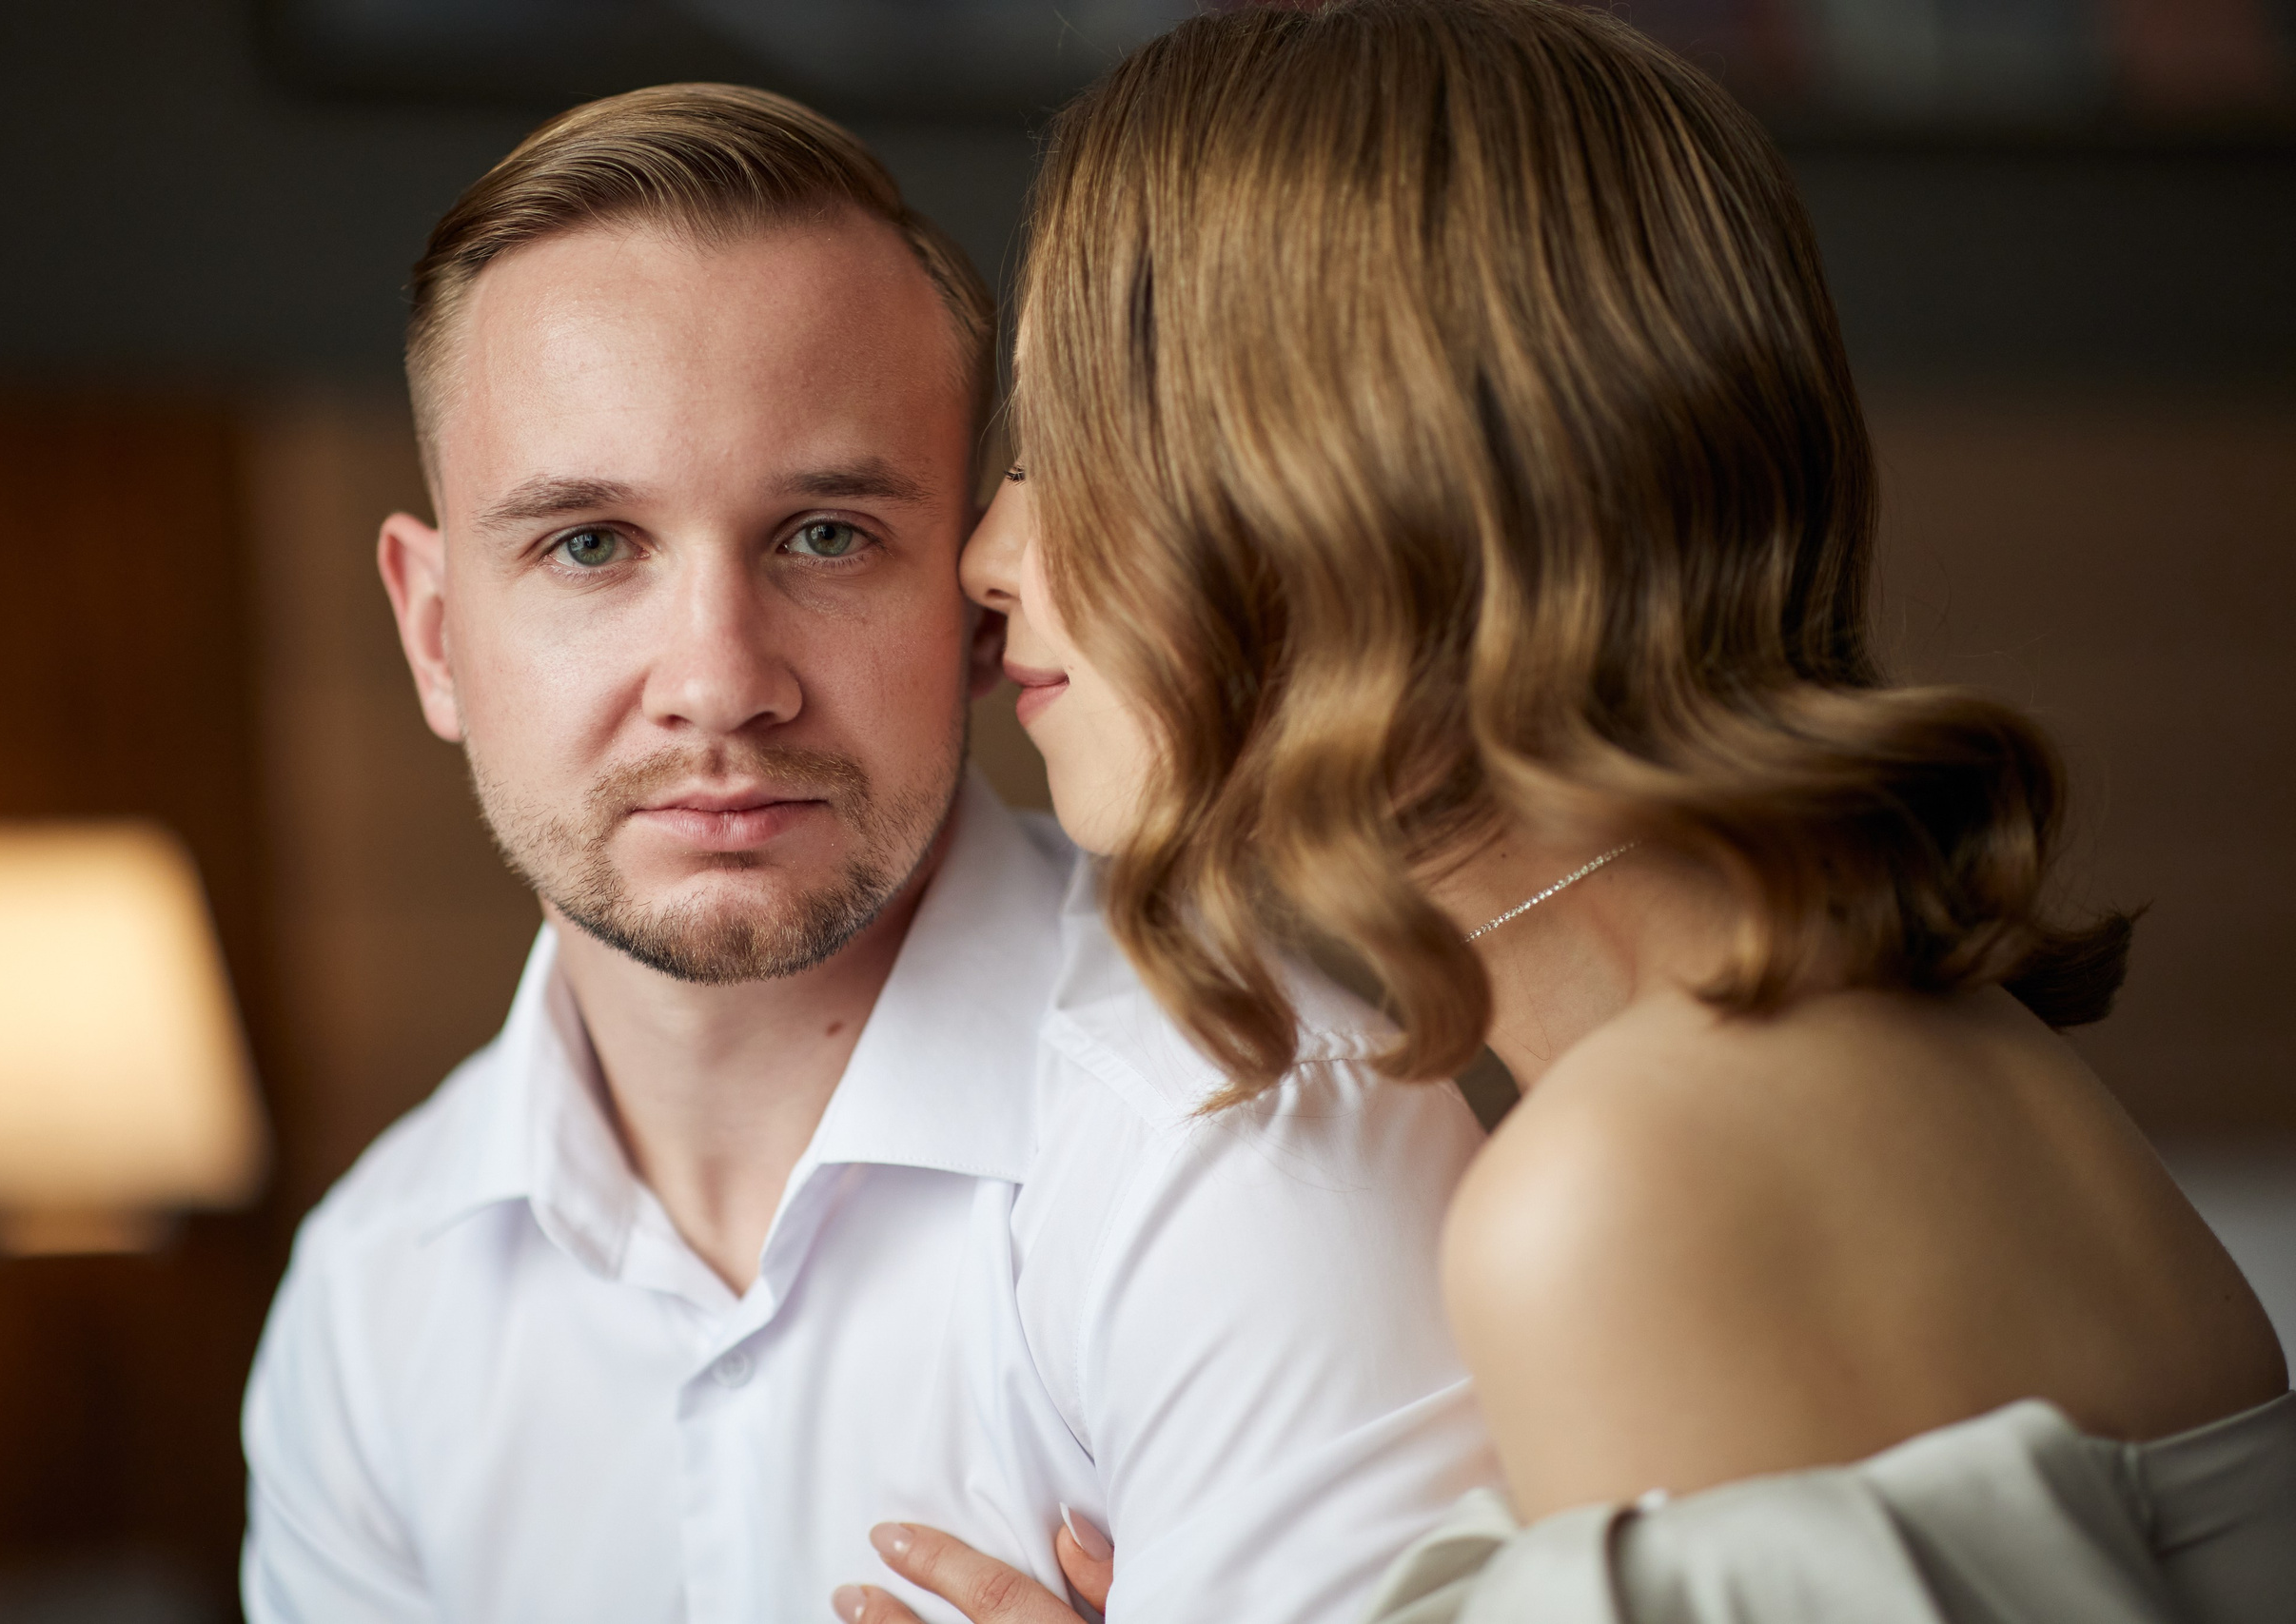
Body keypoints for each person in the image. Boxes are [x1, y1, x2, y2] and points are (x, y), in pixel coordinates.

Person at [834, 2, 2295, 1621]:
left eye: (1071, 448)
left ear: (1350, 488)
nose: (985, 557)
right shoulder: (1900, 1040)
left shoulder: (1628, 1190)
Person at [239, 83, 1493, 1624]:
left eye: (825, 535)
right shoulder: (368, 1299)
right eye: (590, 546)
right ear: (436, 635)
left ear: (976, 608)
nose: (719, 681)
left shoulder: (1257, 1143)